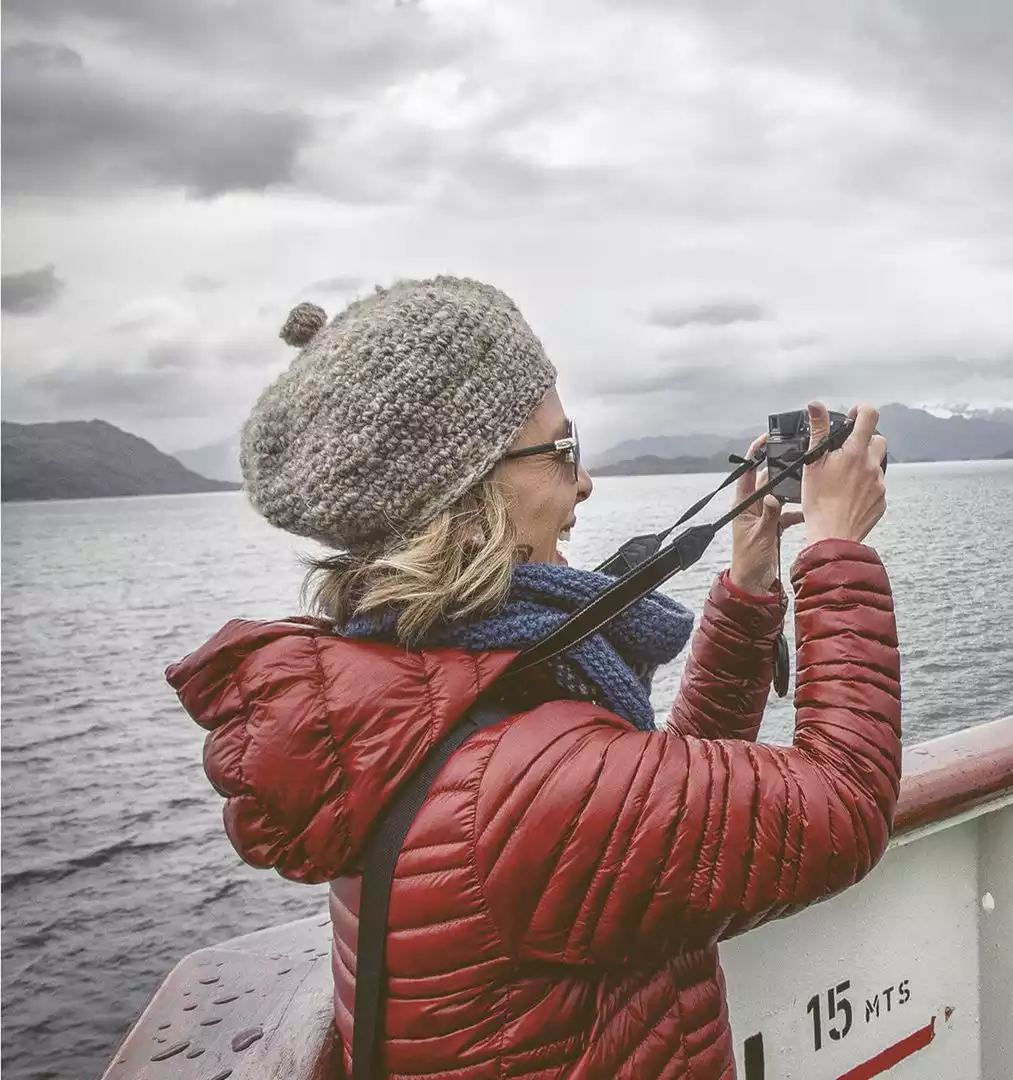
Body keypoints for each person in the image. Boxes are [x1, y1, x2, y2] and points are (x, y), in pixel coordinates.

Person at [166, 276, 900, 1080]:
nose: (585, 483)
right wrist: (837, 550)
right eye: (562, 450)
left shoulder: (417, 690)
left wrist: (751, 586)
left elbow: (669, 805)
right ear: (467, 497)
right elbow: (844, 803)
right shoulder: (516, 782)